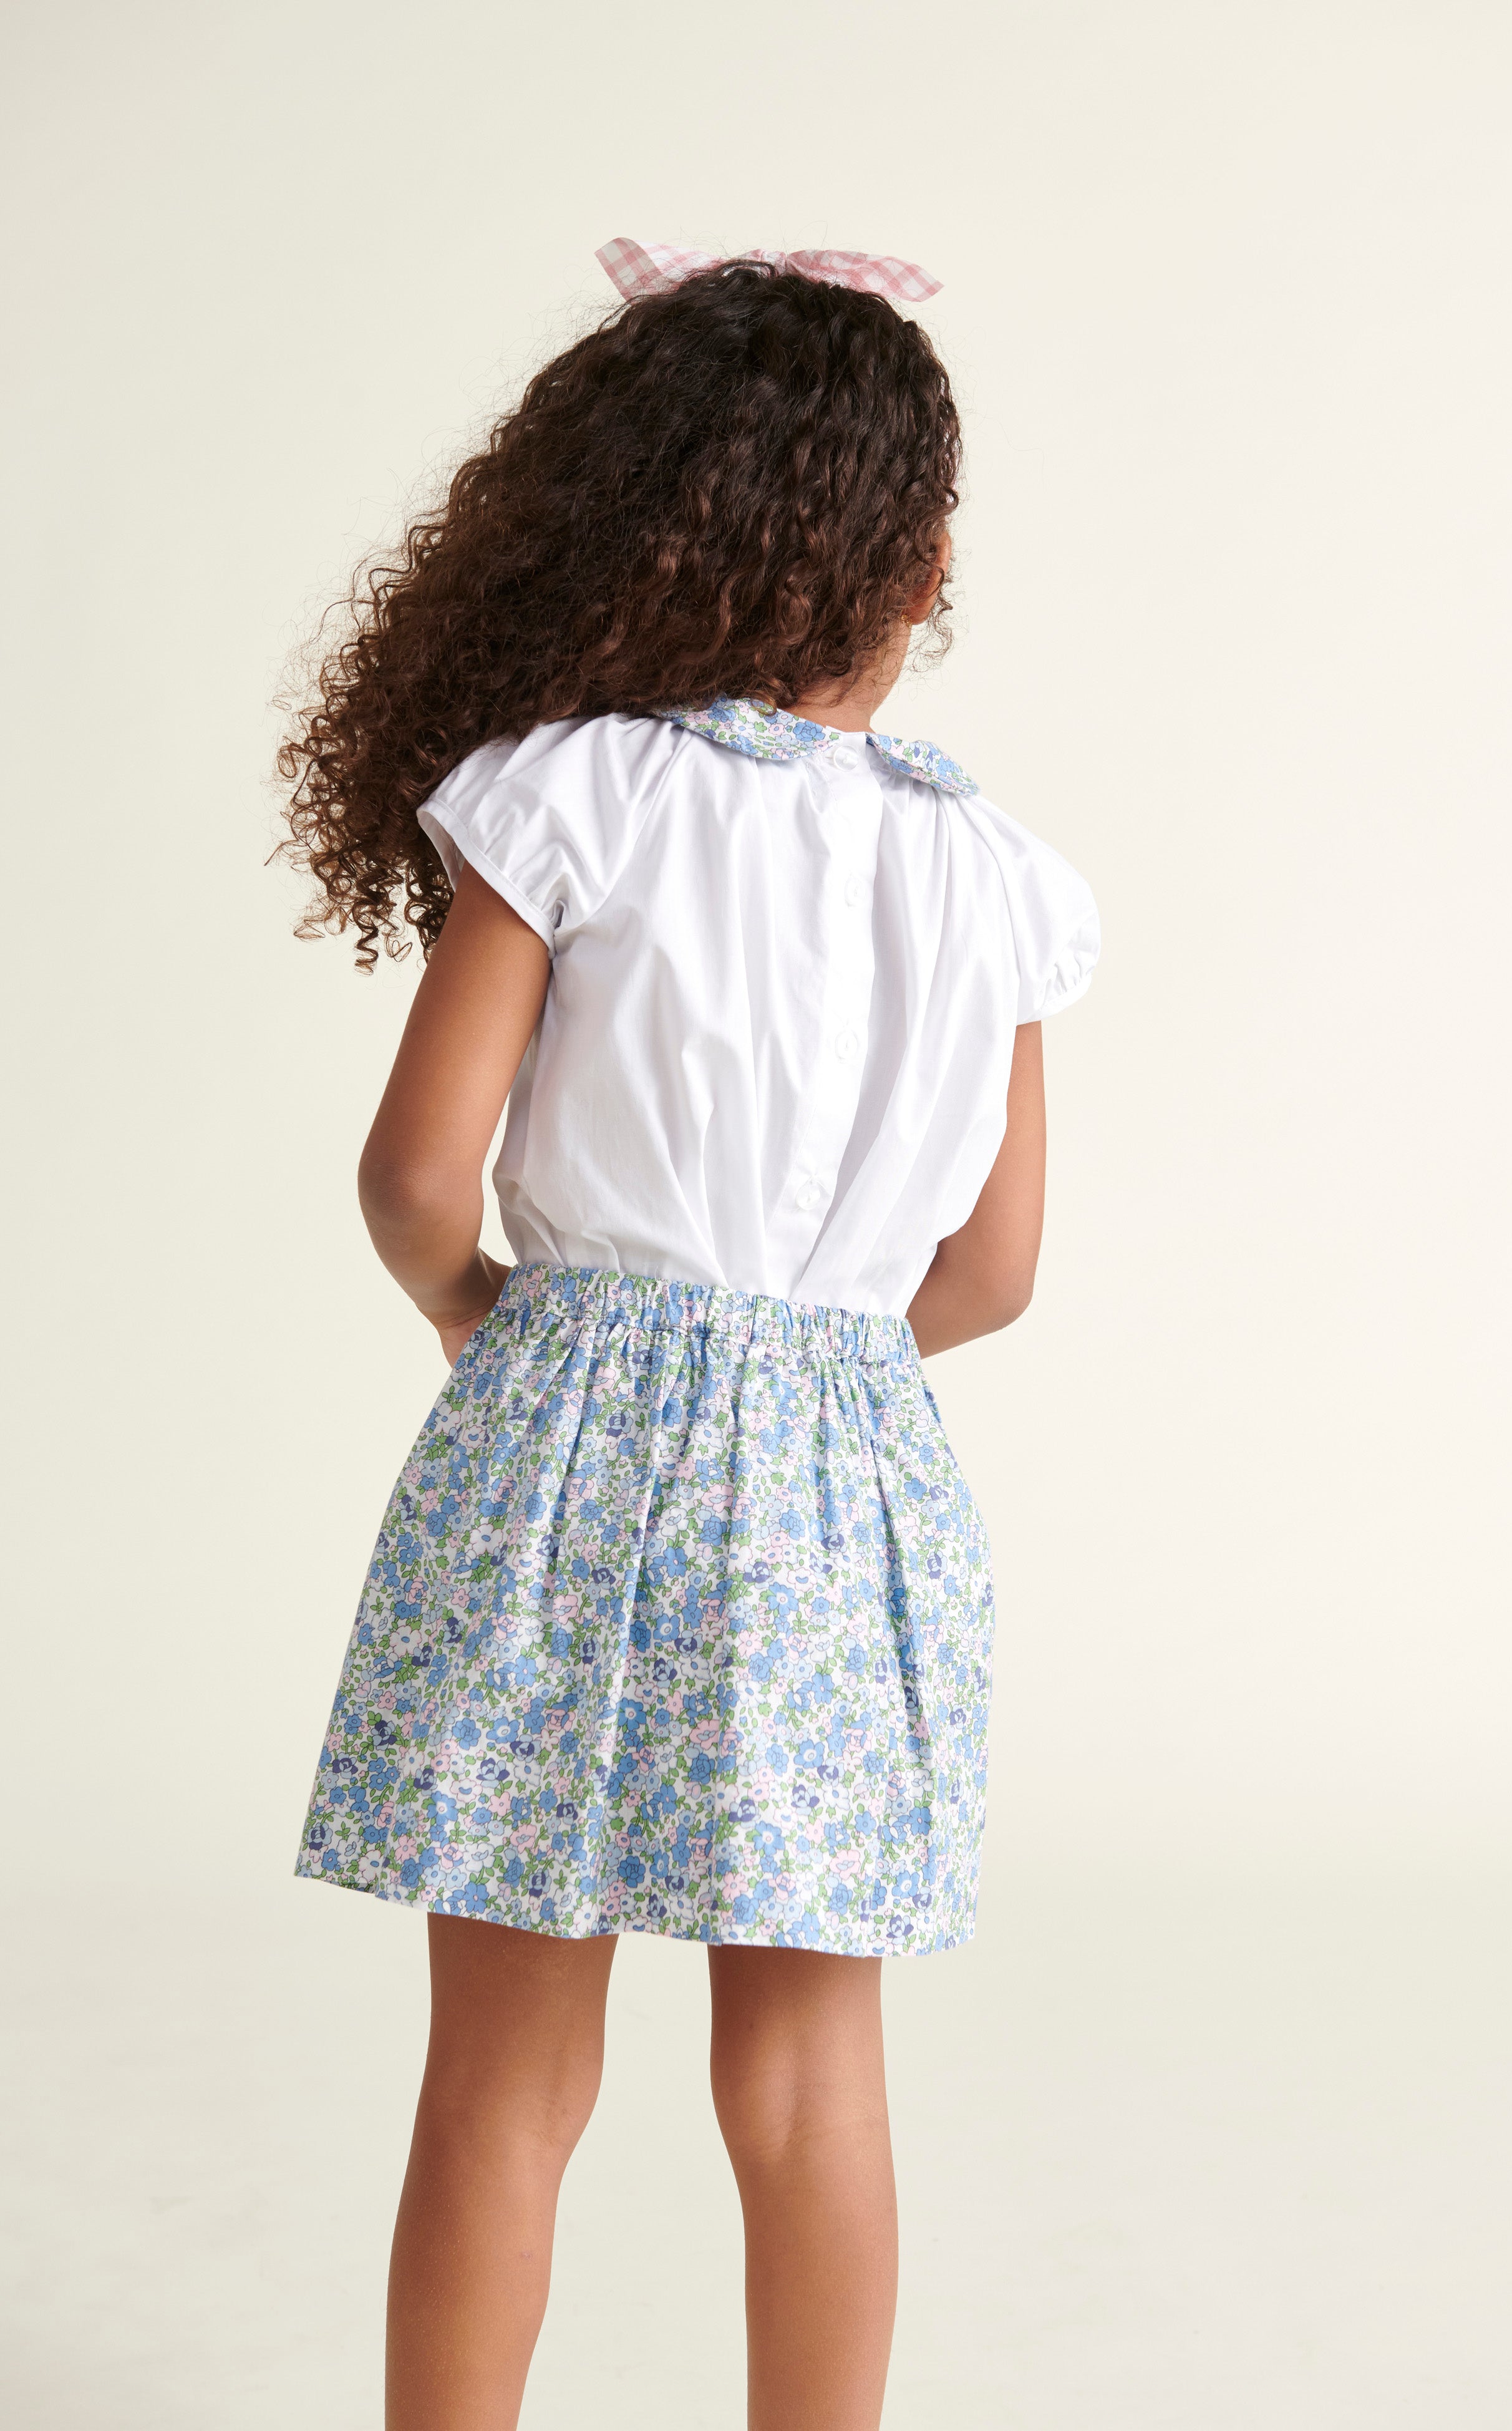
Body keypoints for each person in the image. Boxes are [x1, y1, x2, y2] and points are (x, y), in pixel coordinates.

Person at [281, 241, 1100, 2431]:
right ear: (919, 561)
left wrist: (492, 1322)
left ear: (648, 519)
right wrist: (820, 1369)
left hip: (571, 1427)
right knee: (811, 2079)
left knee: (505, 2078)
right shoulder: (990, 870)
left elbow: (412, 1179)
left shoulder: (577, 792)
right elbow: (1002, 1266)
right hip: (845, 1459)